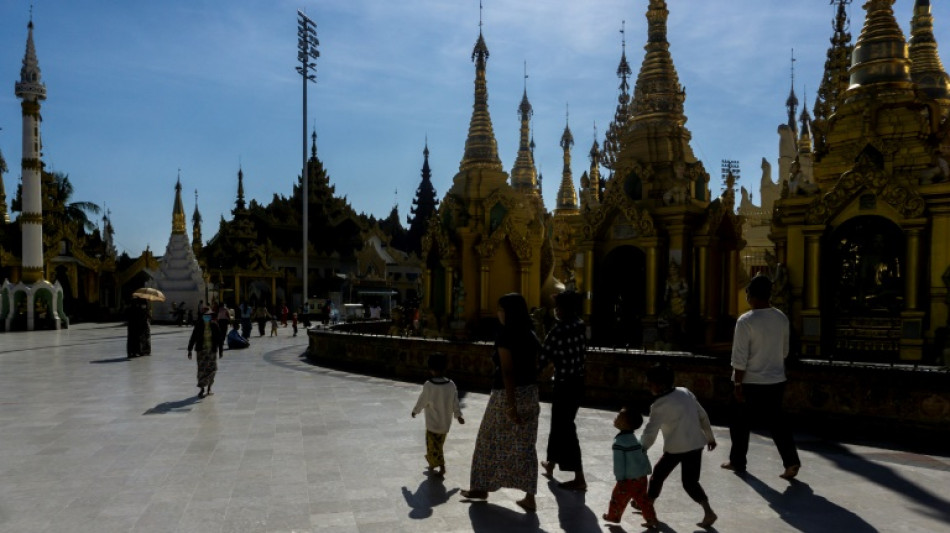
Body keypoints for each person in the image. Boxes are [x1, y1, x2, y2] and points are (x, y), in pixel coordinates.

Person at [461, 293, 541, 513]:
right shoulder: (531, 334)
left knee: (487, 440)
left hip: (507, 395)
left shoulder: (506, 335)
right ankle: (529, 497)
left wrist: (510, 404)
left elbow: (507, 371)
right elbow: (538, 365)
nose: (498, 314)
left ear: (509, 312)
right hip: (530, 393)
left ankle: (480, 487)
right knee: (525, 445)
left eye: (501, 309)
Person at [722, 275, 801, 480]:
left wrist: (738, 383)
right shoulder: (781, 318)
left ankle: (738, 460)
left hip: (750, 381)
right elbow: (784, 351)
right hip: (776, 379)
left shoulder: (746, 321)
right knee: (777, 422)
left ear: (750, 295)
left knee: (740, 422)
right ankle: (791, 461)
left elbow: (739, 358)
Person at [640, 364, 717, 529]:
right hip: (696, 445)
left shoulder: (658, 406)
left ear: (660, 385)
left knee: (657, 476)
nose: (648, 386)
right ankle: (708, 511)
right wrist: (710, 437)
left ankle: (648, 508)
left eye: (650, 383)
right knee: (691, 482)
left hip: (675, 449)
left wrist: (642, 449)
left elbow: (650, 432)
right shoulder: (685, 392)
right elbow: (702, 415)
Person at [538, 290, 588, 491]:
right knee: (560, 423)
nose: (555, 310)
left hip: (564, 383)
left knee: (565, 428)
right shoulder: (580, 325)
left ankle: (579, 477)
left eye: (558, 306)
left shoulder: (558, 330)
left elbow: (543, 357)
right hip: (578, 382)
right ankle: (551, 463)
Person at [411, 352, 465, 477]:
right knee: (437, 444)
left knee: (433, 445)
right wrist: (458, 415)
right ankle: (432, 462)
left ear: (430, 369)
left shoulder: (429, 385)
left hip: (432, 424)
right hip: (445, 424)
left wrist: (416, 410)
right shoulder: (451, 385)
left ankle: (442, 467)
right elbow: (455, 402)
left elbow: (422, 400)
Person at [602, 407, 657, 527]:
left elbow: (619, 463)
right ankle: (651, 519)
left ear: (624, 424)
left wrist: (619, 478)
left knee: (617, 497)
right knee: (643, 499)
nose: (615, 418)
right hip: (641, 476)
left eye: (618, 417)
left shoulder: (619, 442)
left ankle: (613, 516)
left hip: (628, 479)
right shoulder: (634, 439)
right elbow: (642, 455)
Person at [187, 307, 223, 398]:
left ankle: (209, 387)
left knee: (213, 369)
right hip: (201, 351)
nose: (207, 317)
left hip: (211, 351)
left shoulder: (214, 325)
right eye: (205, 315)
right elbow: (193, 337)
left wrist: (221, 351)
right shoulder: (198, 325)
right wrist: (189, 350)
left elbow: (219, 339)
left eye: (208, 315)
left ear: (211, 316)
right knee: (201, 370)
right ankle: (202, 389)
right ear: (202, 316)